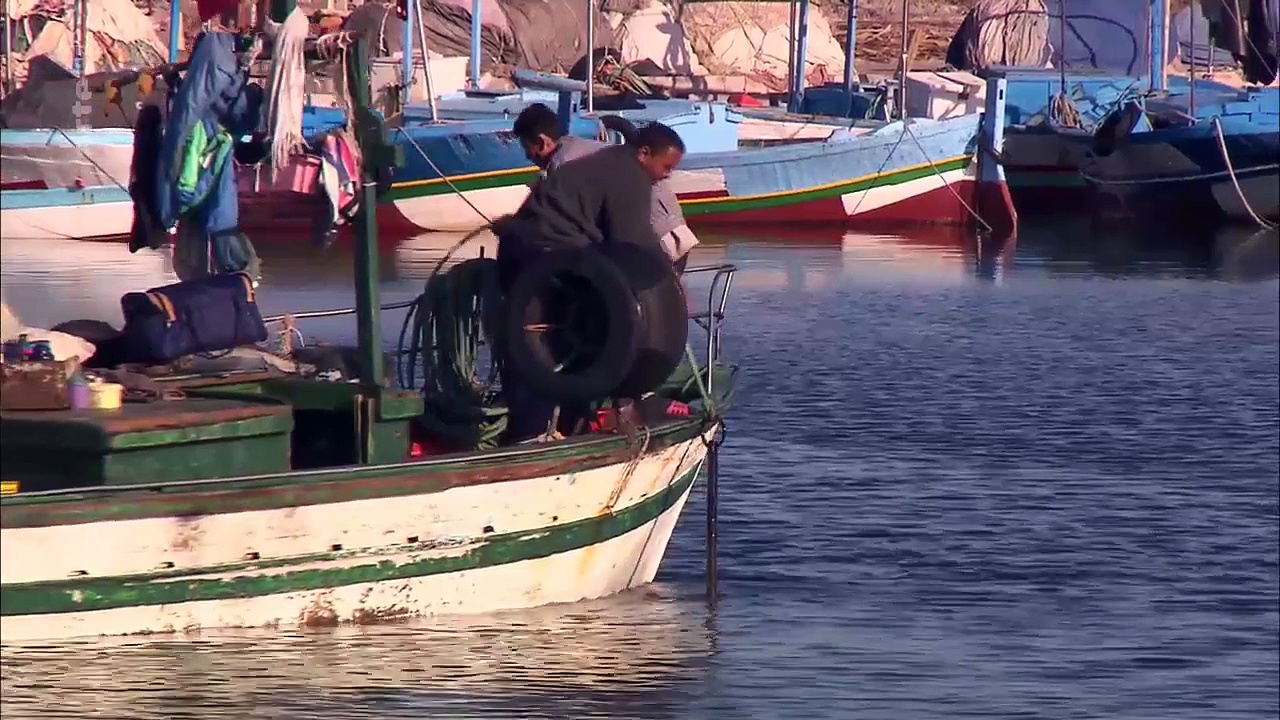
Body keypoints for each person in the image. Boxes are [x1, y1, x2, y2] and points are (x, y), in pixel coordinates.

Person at [493, 113, 689, 444]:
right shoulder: (630, 176)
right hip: (537, 255)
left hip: (534, 248)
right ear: (644, 154)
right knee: (539, 349)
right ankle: (530, 433)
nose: (666, 176)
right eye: (666, 167)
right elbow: (631, 241)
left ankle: (564, 421)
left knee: (546, 344)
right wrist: (669, 278)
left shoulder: (614, 162)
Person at [510, 103, 700, 271]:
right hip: (676, 234)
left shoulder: (565, 164)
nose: (528, 157)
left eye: (527, 148)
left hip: (654, 240)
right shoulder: (586, 148)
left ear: (543, 142)